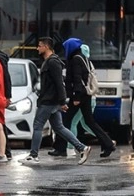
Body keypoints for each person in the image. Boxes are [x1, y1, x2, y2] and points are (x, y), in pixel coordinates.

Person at [20, 37, 92, 166]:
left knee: (38, 126)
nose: (37, 48)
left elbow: (60, 83)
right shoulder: (50, 61)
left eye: (39, 46)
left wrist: (62, 101)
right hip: (51, 100)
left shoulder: (53, 62)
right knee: (59, 127)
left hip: (49, 101)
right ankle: (82, 148)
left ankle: (33, 155)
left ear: (46, 47)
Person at [51, 37, 116, 158]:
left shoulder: (75, 59)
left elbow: (77, 78)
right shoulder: (82, 57)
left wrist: (76, 97)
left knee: (65, 122)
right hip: (85, 95)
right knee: (89, 122)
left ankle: (60, 148)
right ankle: (108, 144)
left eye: (66, 47)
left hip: (79, 96)